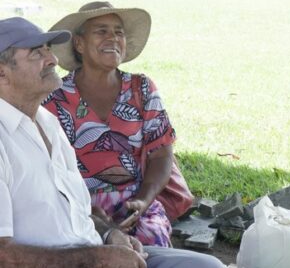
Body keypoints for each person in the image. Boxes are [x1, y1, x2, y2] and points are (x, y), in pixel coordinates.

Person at [0, 16, 224, 268]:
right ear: (2, 72)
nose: (52, 59)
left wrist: (109, 235)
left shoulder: (47, 122)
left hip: (93, 249)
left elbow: (78, 214)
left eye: (48, 50)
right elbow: (3, 255)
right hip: (78, 260)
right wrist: (97, 258)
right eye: (35, 53)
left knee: (208, 265)